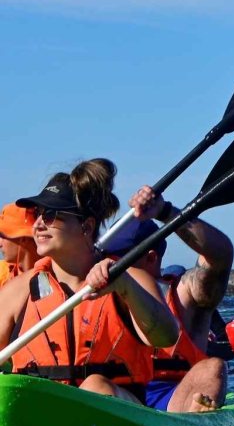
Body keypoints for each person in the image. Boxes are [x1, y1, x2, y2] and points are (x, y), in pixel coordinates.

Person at [0, 161, 180, 404]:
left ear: (86, 226)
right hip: (42, 416)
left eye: (52, 215)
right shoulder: (18, 291)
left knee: (95, 386)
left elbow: (166, 337)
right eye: (38, 214)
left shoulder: (131, 279)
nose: (39, 224)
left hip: (115, 424)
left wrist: (125, 287)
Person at [100, 184, 234, 412]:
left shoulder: (182, 295)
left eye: (118, 259)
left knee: (212, 368)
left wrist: (165, 212)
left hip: (173, 398)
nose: (109, 266)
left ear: (151, 259)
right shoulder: (96, 292)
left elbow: (220, 257)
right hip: (120, 395)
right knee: (96, 384)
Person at [0, 202, 38, 288]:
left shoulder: (57, 273)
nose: (0, 244)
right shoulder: (2, 272)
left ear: (23, 238)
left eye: (3, 236)